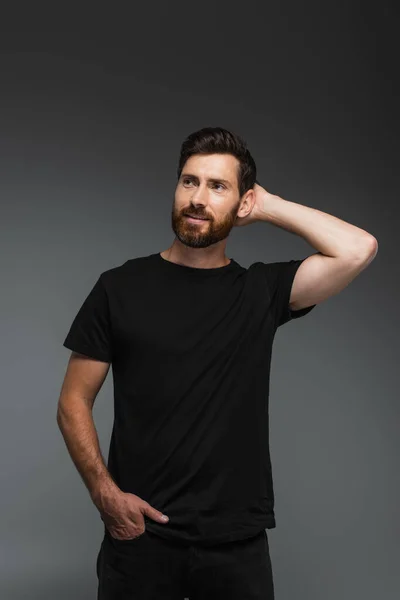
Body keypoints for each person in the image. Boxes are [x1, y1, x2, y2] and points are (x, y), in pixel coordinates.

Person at [57, 126, 377, 599]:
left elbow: (358, 249)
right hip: (141, 534)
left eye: (217, 186)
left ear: (241, 203)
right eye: (189, 181)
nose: (198, 198)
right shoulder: (118, 287)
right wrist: (104, 492)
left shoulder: (260, 293)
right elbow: (72, 402)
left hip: (235, 543)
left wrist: (266, 205)